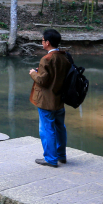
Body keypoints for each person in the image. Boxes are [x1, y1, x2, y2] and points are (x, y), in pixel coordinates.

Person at [29, 28, 69, 167]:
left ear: (47, 42)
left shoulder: (46, 59)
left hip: (46, 101)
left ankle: (51, 159)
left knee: (47, 129)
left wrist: (33, 73)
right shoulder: (64, 57)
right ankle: (61, 156)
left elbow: (43, 81)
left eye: (42, 40)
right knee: (60, 128)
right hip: (59, 99)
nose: (42, 42)